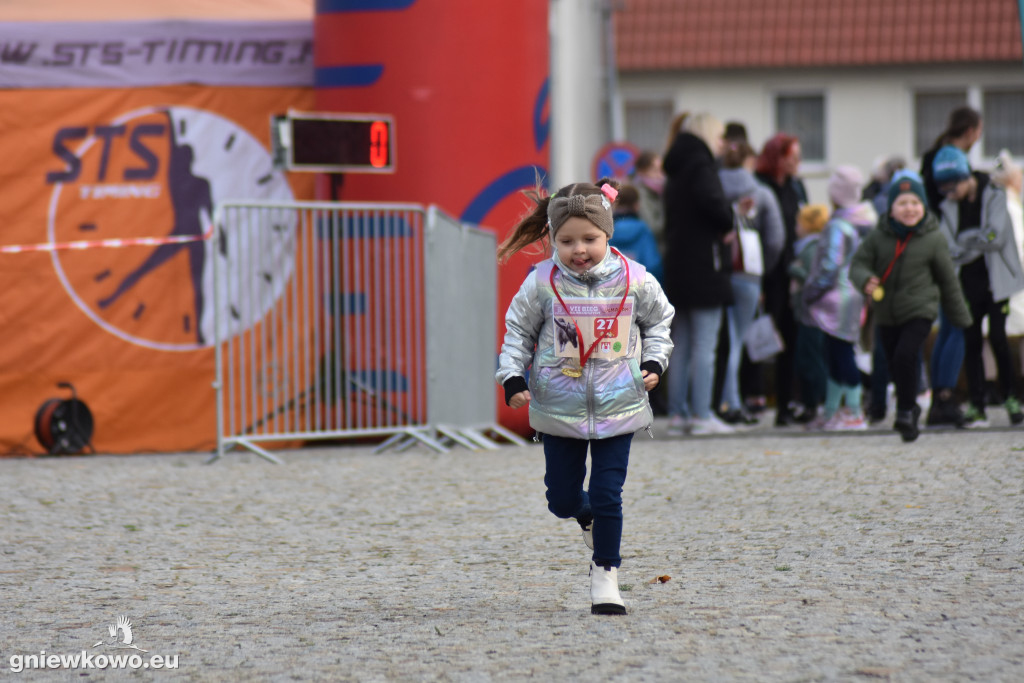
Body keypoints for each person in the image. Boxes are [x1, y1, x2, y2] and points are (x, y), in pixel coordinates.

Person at [495, 179, 674, 616]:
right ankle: (585, 516)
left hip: (620, 403)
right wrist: (512, 376)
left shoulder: (635, 279)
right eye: (567, 240)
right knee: (561, 499)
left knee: (609, 491)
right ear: (553, 239)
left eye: (590, 239)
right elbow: (518, 331)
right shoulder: (540, 283)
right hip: (559, 406)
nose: (580, 249)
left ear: (607, 234)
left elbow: (660, 323)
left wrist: (653, 364)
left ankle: (606, 575)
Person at [850, 173, 972, 442]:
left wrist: (962, 319)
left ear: (924, 206)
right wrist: (864, 280)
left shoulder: (933, 238)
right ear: (891, 209)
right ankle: (911, 406)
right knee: (895, 361)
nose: (909, 209)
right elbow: (857, 265)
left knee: (906, 354)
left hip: (920, 308)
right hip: (885, 312)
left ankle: (905, 411)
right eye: (902, 203)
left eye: (915, 203)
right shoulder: (878, 236)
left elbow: (948, 281)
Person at [933, 145, 1024, 427]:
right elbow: (948, 246)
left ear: (965, 178)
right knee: (971, 341)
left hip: (997, 282)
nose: (949, 195)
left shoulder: (995, 196)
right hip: (967, 285)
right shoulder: (948, 206)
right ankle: (976, 404)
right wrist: (976, 240)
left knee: (998, 337)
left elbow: (995, 237)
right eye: (944, 189)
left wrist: (966, 242)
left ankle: (1011, 398)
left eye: (952, 187)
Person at [662, 112, 739, 436]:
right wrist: (728, 221)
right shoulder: (701, 165)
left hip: (678, 265)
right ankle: (703, 414)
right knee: (705, 345)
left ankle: (678, 414)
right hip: (705, 265)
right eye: (720, 136)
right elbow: (715, 205)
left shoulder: (676, 168)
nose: (722, 143)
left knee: (681, 344)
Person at [802, 166, 878, 430]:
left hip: (835, 301)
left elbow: (828, 267)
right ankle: (833, 411)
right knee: (836, 352)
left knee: (841, 354)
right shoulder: (862, 222)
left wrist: (809, 293)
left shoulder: (838, 226)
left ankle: (854, 412)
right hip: (853, 297)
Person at [920, 107, 982, 426]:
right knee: (957, 324)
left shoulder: (934, 153)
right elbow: (953, 190)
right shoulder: (949, 156)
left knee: (948, 326)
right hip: (950, 251)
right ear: (971, 129)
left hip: (938, 247)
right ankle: (944, 399)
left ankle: (939, 400)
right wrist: (974, 184)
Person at [716, 139, 785, 424]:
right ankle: (731, 402)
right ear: (749, 162)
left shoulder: (713, 189)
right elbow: (776, 239)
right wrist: (763, 269)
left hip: (719, 271)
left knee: (722, 339)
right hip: (747, 273)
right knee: (737, 339)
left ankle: (724, 400)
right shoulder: (763, 194)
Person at [755, 133, 811, 426]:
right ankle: (750, 399)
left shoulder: (796, 187)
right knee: (762, 336)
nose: (798, 163)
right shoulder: (759, 185)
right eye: (794, 156)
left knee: (791, 337)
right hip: (766, 272)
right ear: (779, 157)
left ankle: (787, 406)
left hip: (793, 271)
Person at [788, 204, 830, 428]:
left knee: (811, 360)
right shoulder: (809, 246)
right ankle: (813, 403)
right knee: (807, 359)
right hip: (806, 313)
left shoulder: (811, 247)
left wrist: (795, 270)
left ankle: (818, 404)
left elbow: (813, 278)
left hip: (812, 315)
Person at [611, 184, 664, 284]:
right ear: (636, 206)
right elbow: (653, 266)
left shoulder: (607, 232)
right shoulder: (644, 230)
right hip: (641, 291)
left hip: (614, 293)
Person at [631, 151, 666, 259]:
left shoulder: (657, 192)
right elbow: (652, 226)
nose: (660, 175)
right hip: (652, 255)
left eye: (661, 170)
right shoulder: (641, 194)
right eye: (655, 170)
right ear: (641, 171)